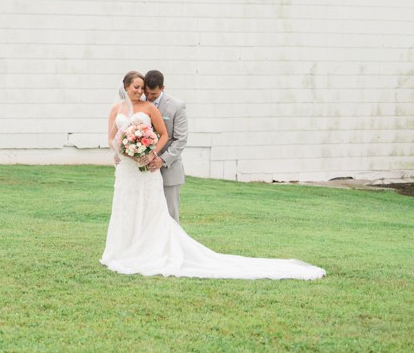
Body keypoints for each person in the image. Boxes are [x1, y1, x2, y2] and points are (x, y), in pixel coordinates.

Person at [101, 70, 326, 279]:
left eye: (143, 88)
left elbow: (164, 135)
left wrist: (151, 155)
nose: (141, 92)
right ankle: (125, 250)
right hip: (127, 170)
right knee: (127, 208)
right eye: (137, 88)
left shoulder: (150, 108)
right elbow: (112, 137)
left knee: (155, 211)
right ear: (126, 87)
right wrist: (122, 151)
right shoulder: (116, 109)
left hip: (149, 169)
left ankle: (154, 251)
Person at [141, 70, 187, 222]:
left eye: (153, 94)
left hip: (169, 169)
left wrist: (162, 160)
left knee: (170, 215)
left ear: (163, 88)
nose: (149, 97)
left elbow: (180, 139)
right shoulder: (139, 103)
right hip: (144, 170)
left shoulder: (177, 106)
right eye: (147, 92)